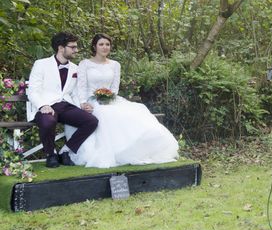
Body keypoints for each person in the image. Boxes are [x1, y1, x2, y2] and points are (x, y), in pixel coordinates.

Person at [67, 33, 179, 168]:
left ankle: (135, 148)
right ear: (94, 46)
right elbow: (81, 86)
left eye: (107, 44)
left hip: (110, 99)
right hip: (91, 101)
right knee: (104, 114)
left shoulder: (115, 65)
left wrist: (108, 98)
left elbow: (114, 88)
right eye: (101, 44)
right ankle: (113, 151)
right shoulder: (85, 64)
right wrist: (84, 103)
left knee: (134, 113)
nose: (105, 47)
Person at [27, 32, 99, 168]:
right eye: (73, 47)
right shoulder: (41, 64)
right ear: (61, 48)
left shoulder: (75, 68)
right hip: (46, 106)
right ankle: (51, 154)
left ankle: (65, 151)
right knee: (48, 121)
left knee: (91, 121)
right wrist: (43, 105)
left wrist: (82, 105)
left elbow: (75, 93)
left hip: (65, 106)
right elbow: (33, 91)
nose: (76, 50)